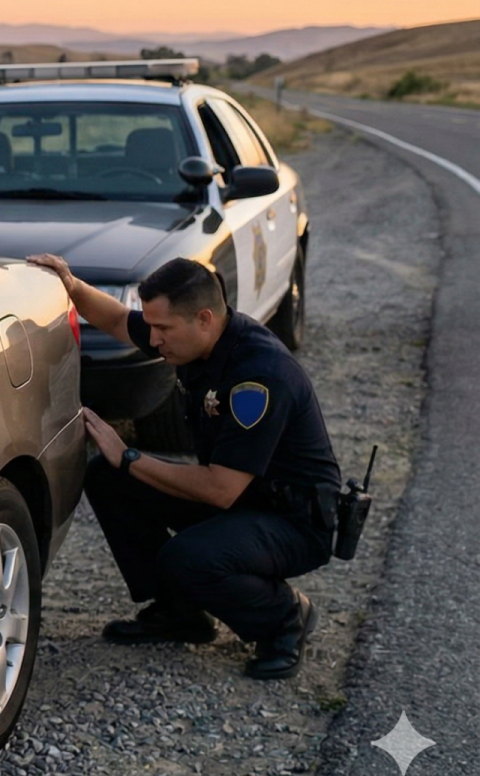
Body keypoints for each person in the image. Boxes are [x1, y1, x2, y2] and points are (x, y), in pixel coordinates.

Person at [26, 254, 341, 679]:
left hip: (293, 520)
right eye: (152, 327)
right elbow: (120, 321)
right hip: (246, 498)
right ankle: (180, 613)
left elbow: (220, 489)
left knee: (187, 555)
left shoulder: (259, 377)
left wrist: (132, 455)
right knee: (108, 477)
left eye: (163, 330)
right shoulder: (196, 337)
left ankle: (284, 618)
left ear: (204, 318)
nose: (153, 340)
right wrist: (70, 284)